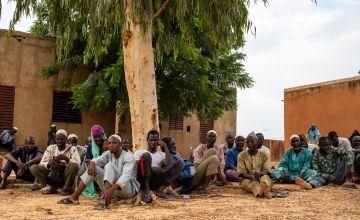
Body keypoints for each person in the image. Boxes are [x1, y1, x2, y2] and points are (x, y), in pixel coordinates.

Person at [58, 135, 140, 209]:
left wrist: (109, 191)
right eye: (109, 143)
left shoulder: (128, 157)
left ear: (120, 145)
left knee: (109, 165)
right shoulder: (108, 153)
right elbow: (96, 160)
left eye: (114, 143)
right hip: (110, 190)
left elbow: (125, 178)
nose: (111, 145)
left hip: (127, 190)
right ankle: (74, 197)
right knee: (93, 168)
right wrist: (92, 164)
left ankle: (104, 200)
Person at [134, 129, 183, 203]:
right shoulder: (140, 152)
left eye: (155, 140)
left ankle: (160, 190)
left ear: (159, 141)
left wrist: (165, 147)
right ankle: (146, 191)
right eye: (151, 140)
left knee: (180, 163)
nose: (153, 142)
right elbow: (137, 166)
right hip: (144, 179)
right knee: (146, 156)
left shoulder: (161, 154)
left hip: (157, 179)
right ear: (147, 140)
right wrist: (152, 168)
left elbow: (169, 164)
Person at [30, 129, 80, 195]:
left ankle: (65, 189)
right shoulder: (51, 148)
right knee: (33, 168)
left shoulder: (72, 148)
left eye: (62, 139)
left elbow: (77, 164)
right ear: (55, 139)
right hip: (53, 174)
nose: (59, 141)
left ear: (66, 140)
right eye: (57, 139)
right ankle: (51, 187)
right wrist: (49, 164)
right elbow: (42, 163)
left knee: (73, 165)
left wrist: (66, 159)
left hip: (65, 176)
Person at [237, 133, 272, 199]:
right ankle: (261, 191)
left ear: (257, 142)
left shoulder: (264, 155)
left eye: (252, 142)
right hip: (247, 178)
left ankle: (263, 187)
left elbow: (267, 171)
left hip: (261, 177)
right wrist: (252, 177)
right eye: (247, 142)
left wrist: (259, 174)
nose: (249, 144)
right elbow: (241, 173)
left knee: (265, 177)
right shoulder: (241, 155)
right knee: (253, 183)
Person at [80, 125, 108, 197]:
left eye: (99, 136)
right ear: (92, 137)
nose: (98, 139)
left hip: (107, 172)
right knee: (89, 167)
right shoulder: (91, 147)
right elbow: (88, 162)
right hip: (94, 171)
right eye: (95, 137)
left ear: (103, 134)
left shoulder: (108, 144)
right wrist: (93, 164)